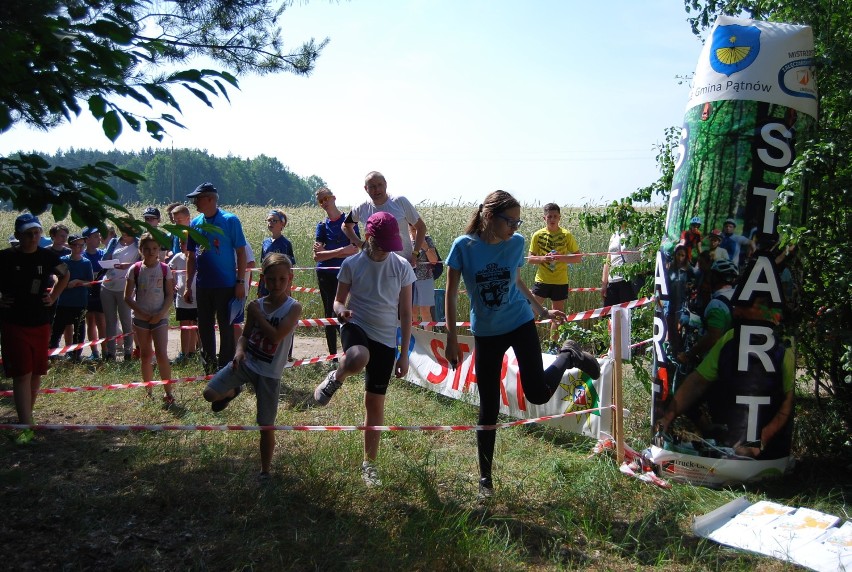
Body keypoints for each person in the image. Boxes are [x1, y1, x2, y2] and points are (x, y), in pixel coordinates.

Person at [443, 191, 601, 498]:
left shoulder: (515, 243)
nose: (515, 227)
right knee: (488, 408)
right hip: (487, 333)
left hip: (519, 323)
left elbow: (516, 281)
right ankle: (485, 480)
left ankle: (569, 355)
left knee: (539, 394)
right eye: (510, 221)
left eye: (518, 221)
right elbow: (449, 294)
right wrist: (451, 338)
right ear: (489, 217)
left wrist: (541, 311)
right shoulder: (463, 247)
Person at [312, 212, 416, 487]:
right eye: (380, 243)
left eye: (390, 245)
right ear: (368, 238)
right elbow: (337, 302)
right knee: (358, 356)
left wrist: (403, 353)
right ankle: (335, 378)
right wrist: (342, 311)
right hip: (355, 324)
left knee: (375, 403)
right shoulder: (352, 263)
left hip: (385, 339)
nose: (385, 250)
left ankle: (369, 464)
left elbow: (406, 314)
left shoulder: (402, 266)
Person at [657, 295, 794, 459]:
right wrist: (667, 417)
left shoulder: (784, 346)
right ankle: (714, 432)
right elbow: (697, 382)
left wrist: (762, 439)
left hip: (769, 453)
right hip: (733, 445)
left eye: (747, 306)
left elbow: (788, 402)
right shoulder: (730, 339)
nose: (737, 312)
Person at [203, 253, 302, 480]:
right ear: (263, 279)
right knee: (209, 394)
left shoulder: (293, 308)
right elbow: (245, 336)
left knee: (265, 425)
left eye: (281, 279)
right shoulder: (256, 305)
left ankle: (265, 470)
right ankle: (233, 390)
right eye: (271, 279)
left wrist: (258, 314)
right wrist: (239, 352)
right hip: (247, 363)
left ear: (290, 278)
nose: (276, 284)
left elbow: (276, 336)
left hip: (270, 374)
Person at [0, 213, 69, 443]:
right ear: (18, 235)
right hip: (14, 323)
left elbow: (65, 274)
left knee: (37, 373)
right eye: (28, 234)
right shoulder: (6, 257)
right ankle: (26, 425)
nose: (33, 237)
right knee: (22, 374)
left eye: (36, 233)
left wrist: (54, 295)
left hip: (40, 322)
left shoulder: (46, 255)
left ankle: (26, 417)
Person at [184, 182, 248, 373]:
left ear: (211, 199)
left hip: (226, 285)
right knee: (204, 327)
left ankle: (226, 367)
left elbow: (241, 253)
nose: (195, 202)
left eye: (198, 198)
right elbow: (191, 257)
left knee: (226, 327)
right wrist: (188, 285)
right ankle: (209, 366)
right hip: (204, 286)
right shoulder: (195, 224)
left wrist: (240, 281)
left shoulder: (230, 221)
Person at [124, 233, 175, 406]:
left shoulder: (164, 268)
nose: (151, 252)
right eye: (147, 249)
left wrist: (160, 314)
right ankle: (148, 391)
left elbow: (169, 295)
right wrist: (142, 313)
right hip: (141, 318)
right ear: (141, 250)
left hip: (160, 317)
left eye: (155, 248)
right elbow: (128, 297)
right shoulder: (135, 269)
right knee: (145, 355)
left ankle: (168, 393)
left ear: (159, 250)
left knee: (161, 353)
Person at [527, 203, 583, 352]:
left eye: (555, 216)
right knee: (530, 313)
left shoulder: (566, 235)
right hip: (542, 280)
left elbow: (578, 258)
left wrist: (560, 258)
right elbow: (530, 259)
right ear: (544, 218)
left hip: (560, 281)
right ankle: (528, 345)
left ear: (559, 217)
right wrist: (543, 259)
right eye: (549, 217)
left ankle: (553, 346)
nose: (552, 219)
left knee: (557, 316)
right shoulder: (537, 235)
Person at [312, 187, 360, 359]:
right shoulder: (322, 226)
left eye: (325, 198)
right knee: (329, 313)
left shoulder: (348, 221)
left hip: (346, 274)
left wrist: (330, 252)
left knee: (347, 311)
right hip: (325, 274)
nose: (324, 203)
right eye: (320, 201)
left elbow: (355, 249)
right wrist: (342, 250)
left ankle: (349, 351)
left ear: (333, 198)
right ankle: (332, 355)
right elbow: (317, 256)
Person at [343, 171, 427, 266]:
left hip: (403, 264)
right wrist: (360, 244)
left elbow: (421, 227)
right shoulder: (361, 207)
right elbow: (346, 226)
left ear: (386, 184)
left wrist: (415, 253)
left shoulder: (400, 201)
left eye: (380, 185)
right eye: (372, 186)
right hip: (374, 265)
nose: (377, 189)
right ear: (366, 188)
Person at [677, 259, 738, 367]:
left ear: (715, 278)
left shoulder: (717, 304)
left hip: (719, 361)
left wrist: (689, 354)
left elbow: (713, 337)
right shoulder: (739, 297)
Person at [49, 234, 93, 362]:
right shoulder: (63, 260)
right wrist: (62, 283)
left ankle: (76, 355)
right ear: (70, 246)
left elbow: (90, 283)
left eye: (81, 245)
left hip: (80, 302)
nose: (79, 248)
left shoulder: (86, 263)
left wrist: (78, 282)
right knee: (57, 329)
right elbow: (55, 275)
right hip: (63, 301)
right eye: (76, 245)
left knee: (79, 330)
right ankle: (52, 353)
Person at [101, 223, 140, 361]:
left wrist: (128, 266)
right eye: (122, 228)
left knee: (126, 320)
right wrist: (108, 262)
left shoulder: (138, 244)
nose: (124, 231)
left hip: (126, 287)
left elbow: (143, 263)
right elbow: (105, 259)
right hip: (108, 285)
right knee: (110, 321)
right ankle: (110, 353)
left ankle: (128, 353)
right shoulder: (113, 242)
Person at [169, 236, 198, 365]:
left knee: (197, 326)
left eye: (185, 243)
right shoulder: (178, 257)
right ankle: (184, 354)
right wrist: (173, 282)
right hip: (181, 298)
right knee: (184, 326)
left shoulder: (197, 256)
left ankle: (196, 352)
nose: (182, 245)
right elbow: (169, 269)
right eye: (180, 242)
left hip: (197, 297)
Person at [81, 227, 107, 360]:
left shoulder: (103, 254)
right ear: (87, 240)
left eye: (99, 235)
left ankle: (105, 351)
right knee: (90, 321)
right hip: (87, 294)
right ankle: (94, 352)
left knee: (102, 322)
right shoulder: (82, 256)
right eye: (95, 236)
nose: (99, 239)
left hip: (101, 293)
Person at [602, 222, 641, 307]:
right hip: (612, 282)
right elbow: (608, 260)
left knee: (628, 317)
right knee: (609, 317)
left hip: (628, 282)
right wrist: (604, 284)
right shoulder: (614, 235)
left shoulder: (636, 233)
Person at [409, 223, 439, 330]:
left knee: (425, 310)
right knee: (412, 311)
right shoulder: (405, 240)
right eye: (412, 229)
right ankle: (416, 340)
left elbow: (434, 261)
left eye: (417, 229)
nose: (413, 226)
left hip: (425, 279)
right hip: (409, 280)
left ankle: (428, 339)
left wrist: (425, 247)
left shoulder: (427, 239)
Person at [258, 209, 294, 296]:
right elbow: (263, 265)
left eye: (274, 220)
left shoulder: (286, 244)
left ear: (282, 223)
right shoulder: (265, 242)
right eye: (269, 220)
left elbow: (290, 269)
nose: (270, 223)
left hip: (280, 286)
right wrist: (260, 289)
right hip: (266, 284)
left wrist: (287, 290)